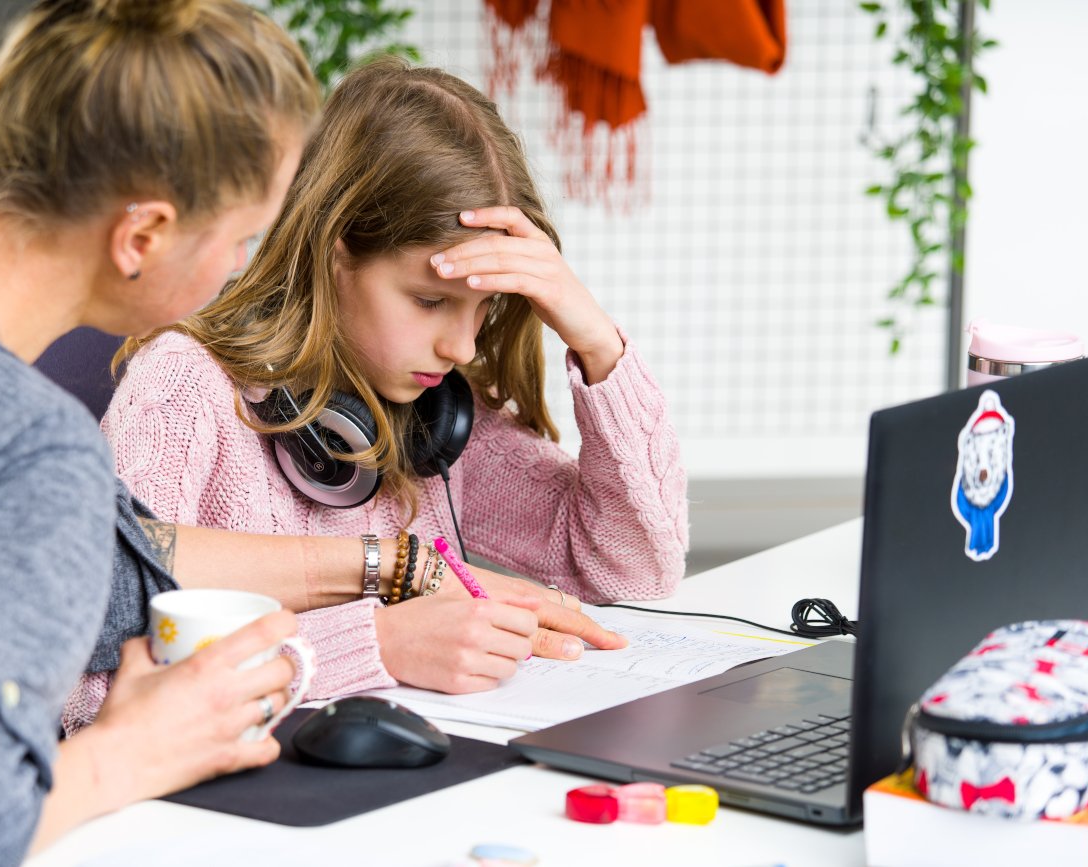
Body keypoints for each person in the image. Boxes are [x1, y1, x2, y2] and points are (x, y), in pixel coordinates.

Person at [0, 0, 317, 862]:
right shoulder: (26, 448)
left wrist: (372, 573)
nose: (242, 267)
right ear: (144, 235)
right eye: (243, 238)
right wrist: (132, 751)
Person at [88, 57, 689, 708]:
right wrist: (375, 642)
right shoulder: (185, 387)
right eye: (429, 301)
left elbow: (631, 566)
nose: (460, 346)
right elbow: (97, 695)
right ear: (336, 249)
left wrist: (598, 344)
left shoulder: (431, 415)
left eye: (483, 308)